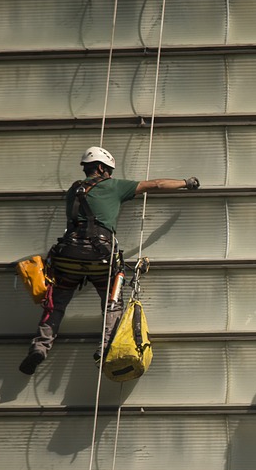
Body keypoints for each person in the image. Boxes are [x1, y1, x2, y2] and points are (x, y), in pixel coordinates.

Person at [19, 146, 199, 375]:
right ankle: (105, 348)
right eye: (109, 171)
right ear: (102, 168)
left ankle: (40, 347)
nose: (111, 175)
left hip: (68, 255)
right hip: (99, 256)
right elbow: (155, 184)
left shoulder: (73, 190)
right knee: (112, 302)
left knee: (55, 303)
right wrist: (186, 182)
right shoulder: (113, 186)